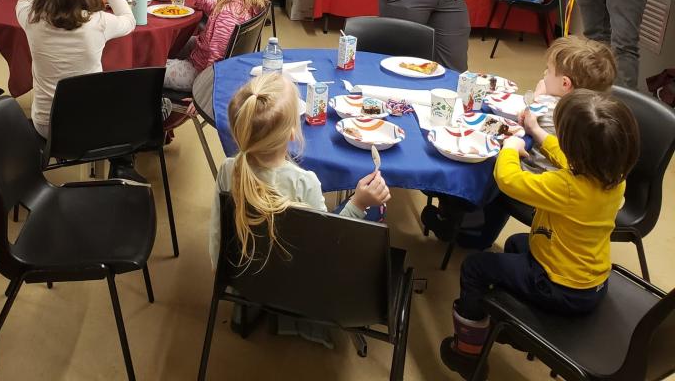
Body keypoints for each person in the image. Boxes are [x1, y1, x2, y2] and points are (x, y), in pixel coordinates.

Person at [440, 89, 639, 379]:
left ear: (577, 152)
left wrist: (509, 148)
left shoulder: (567, 187)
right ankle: (513, 323)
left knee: (474, 267)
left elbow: (508, 180)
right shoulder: (614, 178)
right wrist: (536, 132)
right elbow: (566, 156)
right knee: (515, 242)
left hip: (558, 286)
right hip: (590, 280)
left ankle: (467, 353)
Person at [210, 73, 391, 346]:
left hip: (244, 276)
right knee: (370, 211)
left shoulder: (227, 169)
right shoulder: (304, 182)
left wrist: (227, 277)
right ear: (294, 131)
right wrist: (358, 204)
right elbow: (324, 251)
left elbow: (218, 234)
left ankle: (249, 304)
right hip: (301, 286)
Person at [448, 35, 617, 250]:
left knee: (488, 161)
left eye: (548, 70)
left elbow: (523, 116)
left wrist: (538, 97)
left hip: (543, 182)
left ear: (565, 84)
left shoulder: (547, 108)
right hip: (580, 186)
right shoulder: (598, 114)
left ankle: (468, 229)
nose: (544, 74)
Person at [15, 0, 135, 139]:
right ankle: (121, 163)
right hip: (90, 125)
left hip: (46, 127)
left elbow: (24, 0)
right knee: (124, 93)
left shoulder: (32, 19)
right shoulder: (99, 22)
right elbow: (129, 20)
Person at [165, 0, 267, 92]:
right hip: (202, 54)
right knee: (173, 40)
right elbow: (216, 8)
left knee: (153, 70)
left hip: (199, 72)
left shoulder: (228, 15)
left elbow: (216, 60)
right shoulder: (243, 2)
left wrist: (205, 93)